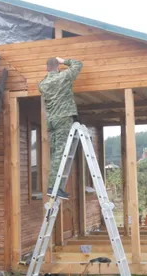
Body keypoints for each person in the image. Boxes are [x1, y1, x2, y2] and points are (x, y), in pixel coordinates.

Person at [38, 57, 83, 199]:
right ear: (58, 67)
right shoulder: (64, 76)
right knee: (60, 153)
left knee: (55, 153)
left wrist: (54, 67)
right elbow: (78, 64)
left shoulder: (43, 84)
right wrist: (64, 61)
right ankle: (53, 187)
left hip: (51, 121)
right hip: (64, 118)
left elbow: (48, 77)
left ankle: (55, 186)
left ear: (47, 69)